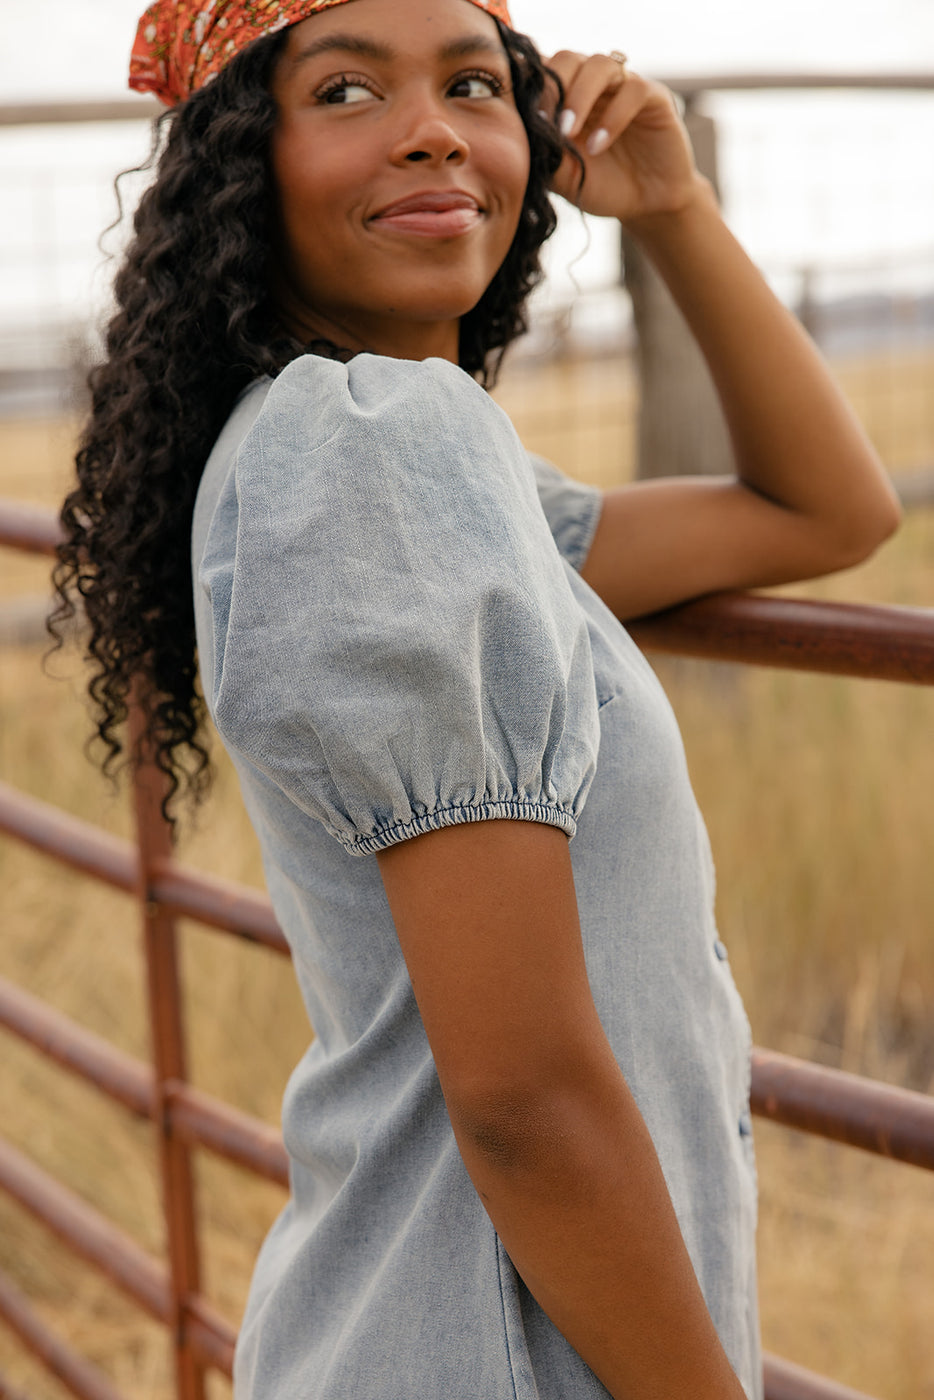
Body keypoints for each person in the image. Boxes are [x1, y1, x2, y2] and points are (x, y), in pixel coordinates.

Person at [53, 1, 901, 1397]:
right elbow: (521, 1100)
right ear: (239, 168)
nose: (433, 127)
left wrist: (669, 208)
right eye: (344, 92)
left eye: (469, 81)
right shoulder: (376, 456)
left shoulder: (413, 467)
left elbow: (821, 510)